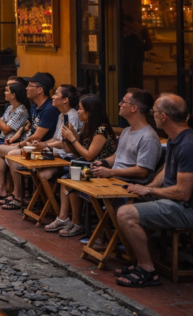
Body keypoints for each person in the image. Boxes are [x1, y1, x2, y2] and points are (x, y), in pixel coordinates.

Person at [115, 93, 193, 288]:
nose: (153, 115)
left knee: (126, 214)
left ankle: (147, 269)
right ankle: (138, 259)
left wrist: (149, 191)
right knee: (125, 201)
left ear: (163, 117)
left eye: (154, 112)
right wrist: (147, 188)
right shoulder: (176, 139)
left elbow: (183, 193)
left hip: (185, 207)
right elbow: (165, 171)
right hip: (173, 202)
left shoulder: (188, 145)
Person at [45, 94, 118, 237]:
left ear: (89, 111)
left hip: (99, 170)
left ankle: (76, 222)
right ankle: (66, 218)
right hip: (86, 166)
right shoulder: (87, 126)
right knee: (67, 179)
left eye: (80, 109)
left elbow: (89, 155)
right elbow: (75, 150)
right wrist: (72, 137)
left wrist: (73, 139)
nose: (78, 111)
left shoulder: (101, 130)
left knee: (71, 180)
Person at [0, 72, 60, 208]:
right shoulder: (35, 106)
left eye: (30, 85)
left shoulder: (50, 109)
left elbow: (38, 136)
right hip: (30, 145)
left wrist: (19, 144)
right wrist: (17, 141)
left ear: (40, 90)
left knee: (12, 155)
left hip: (43, 149)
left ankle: (18, 195)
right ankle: (1, 188)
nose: (26, 88)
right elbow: (28, 128)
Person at [91, 88, 161, 184]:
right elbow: (118, 155)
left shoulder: (148, 137)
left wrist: (110, 172)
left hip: (129, 184)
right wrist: (103, 163)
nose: (120, 104)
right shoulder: (126, 130)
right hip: (114, 179)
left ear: (134, 108)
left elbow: (142, 171)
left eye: (123, 102)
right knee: (74, 187)